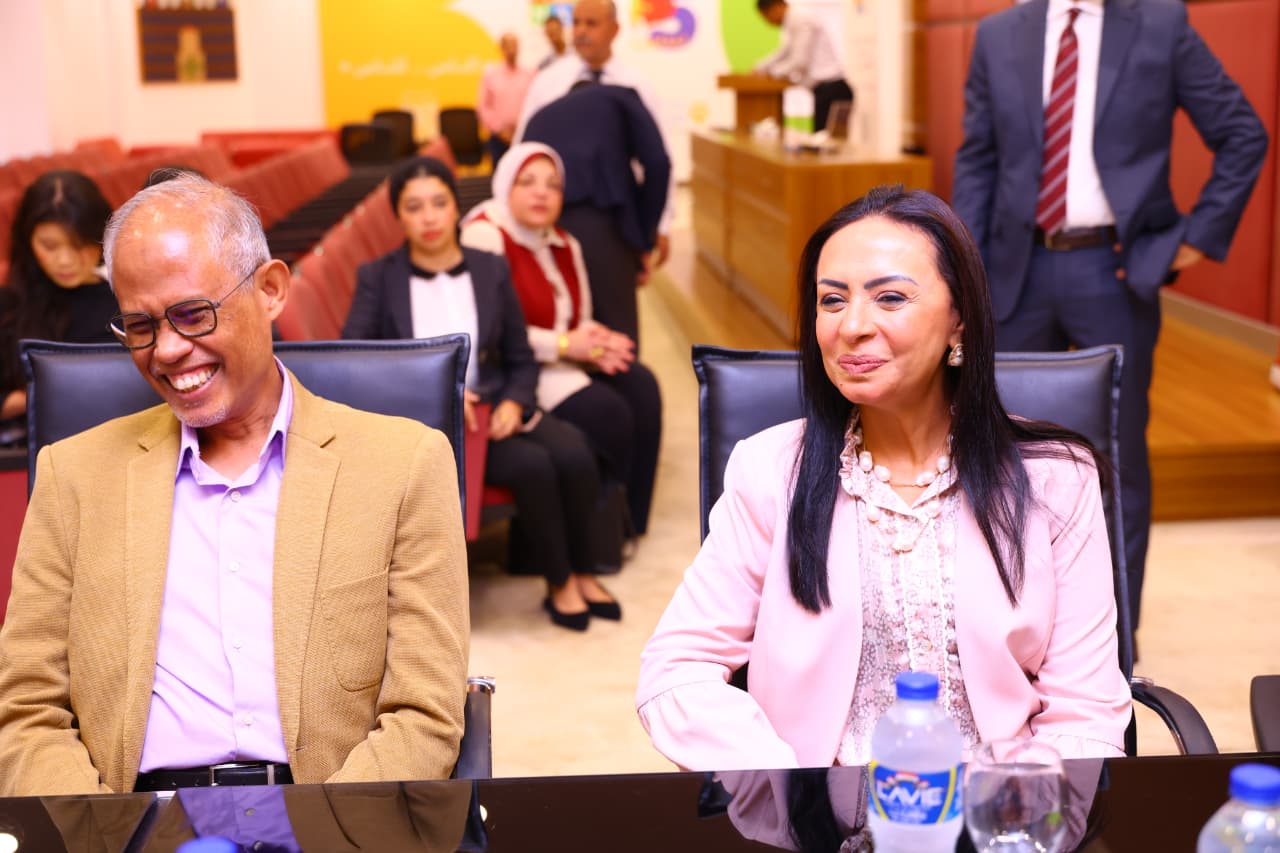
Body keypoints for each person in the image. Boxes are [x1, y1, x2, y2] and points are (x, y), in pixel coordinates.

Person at [0, 174, 470, 795]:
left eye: (193, 315)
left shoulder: (403, 464)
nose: (167, 351)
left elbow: (425, 713)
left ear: (270, 289)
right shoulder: (74, 476)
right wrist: (103, 830)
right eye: (140, 326)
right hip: (130, 814)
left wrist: (326, 832)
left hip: (332, 808)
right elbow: (27, 711)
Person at [635, 186, 1132, 771]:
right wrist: (792, 791)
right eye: (831, 300)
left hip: (1000, 805)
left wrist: (1017, 810)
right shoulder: (770, 469)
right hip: (815, 809)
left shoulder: (1055, 479)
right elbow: (677, 667)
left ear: (959, 319)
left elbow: (1084, 711)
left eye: (890, 298)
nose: (851, 326)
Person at [951, 0, 1268, 636]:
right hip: (1014, 272)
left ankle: (1116, 645)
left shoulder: (1161, 25)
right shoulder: (998, 35)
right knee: (999, 450)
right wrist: (965, 271)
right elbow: (978, 160)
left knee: (1116, 462)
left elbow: (1242, 132)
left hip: (1115, 270)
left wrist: (1193, 238)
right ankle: (1005, 632)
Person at [342, 156, 622, 631]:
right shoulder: (379, 277)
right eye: (414, 207)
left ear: (456, 208)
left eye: (439, 203)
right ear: (398, 217)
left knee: (575, 451)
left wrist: (514, 401)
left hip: (493, 406)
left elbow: (520, 354)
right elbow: (356, 363)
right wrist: (435, 391)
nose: (429, 217)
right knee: (534, 467)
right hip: (430, 423)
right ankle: (560, 583)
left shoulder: (489, 268)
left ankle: (584, 570)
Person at [461, 141, 662, 540]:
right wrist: (568, 346)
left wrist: (597, 341)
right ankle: (597, 528)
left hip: (562, 359)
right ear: (505, 185)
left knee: (641, 385)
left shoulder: (565, 242)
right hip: (514, 369)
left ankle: (629, 523)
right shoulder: (485, 235)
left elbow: (578, 317)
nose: (542, 193)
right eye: (528, 182)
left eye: (553, 185)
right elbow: (490, 331)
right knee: (608, 413)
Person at [514, 0, 675, 272]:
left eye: (591, 24)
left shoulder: (636, 85)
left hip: (619, 218)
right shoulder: (548, 82)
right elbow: (522, 152)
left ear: (614, 29)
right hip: (556, 218)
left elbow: (658, 158)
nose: (580, 31)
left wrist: (660, 223)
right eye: (576, 23)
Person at [522, 82, 671, 350]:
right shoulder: (621, 96)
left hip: (541, 234)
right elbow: (657, 163)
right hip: (602, 229)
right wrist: (643, 239)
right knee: (617, 344)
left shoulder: (539, 115)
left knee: (563, 334)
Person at [0, 170, 118, 445]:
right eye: (49, 246)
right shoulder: (9, 307)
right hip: (31, 449)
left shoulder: (125, 301)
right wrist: (41, 394)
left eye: (79, 245)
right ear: (28, 242)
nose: (65, 260)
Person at [753, 0, 853, 135]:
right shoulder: (793, 21)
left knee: (828, 141)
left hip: (832, 89)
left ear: (777, 6)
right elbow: (784, 52)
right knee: (825, 140)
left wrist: (771, 73)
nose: (768, 22)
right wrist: (761, 68)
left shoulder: (800, 19)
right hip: (827, 89)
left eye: (766, 16)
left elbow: (800, 61)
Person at [477, 32, 534, 168]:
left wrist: (521, 129)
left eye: (514, 45)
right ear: (501, 48)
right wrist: (500, 130)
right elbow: (483, 107)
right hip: (498, 138)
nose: (512, 49)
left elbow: (534, 104)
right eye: (508, 46)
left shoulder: (530, 74)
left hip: (524, 135)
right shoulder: (491, 75)